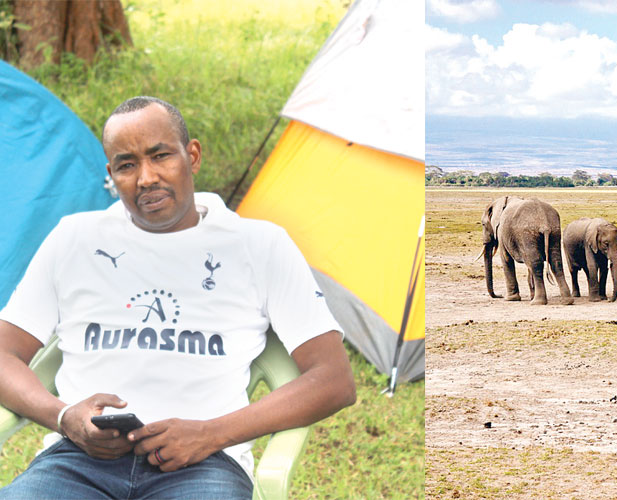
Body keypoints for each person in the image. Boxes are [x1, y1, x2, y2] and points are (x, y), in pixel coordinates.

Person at [0, 96, 356, 499]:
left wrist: (211, 433)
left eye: (160, 156)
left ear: (193, 156)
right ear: (111, 174)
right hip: (78, 462)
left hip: (203, 466)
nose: (146, 177)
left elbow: (333, 380)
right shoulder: (75, 239)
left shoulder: (260, 246)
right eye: (127, 165)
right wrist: (63, 417)